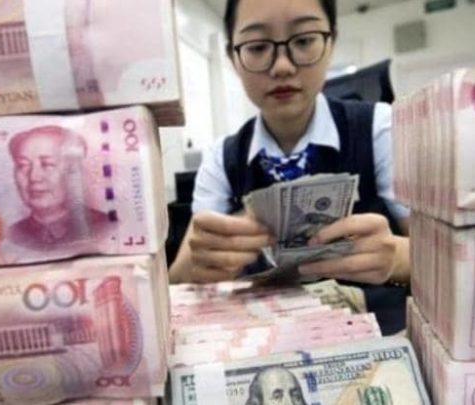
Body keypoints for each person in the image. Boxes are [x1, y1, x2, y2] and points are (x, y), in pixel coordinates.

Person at [168, 0, 411, 333]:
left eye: (304, 40)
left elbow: (444, 259)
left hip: (378, 334)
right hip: (265, 338)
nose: (282, 66)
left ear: (331, 42)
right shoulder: (222, 157)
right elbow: (177, 282)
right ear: (232, 57)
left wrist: (397, 256)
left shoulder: (380, 128)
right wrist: (199, 264)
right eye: (257, 47)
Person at [7, 125, 113, 250]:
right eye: (23, 165)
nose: (34, 177)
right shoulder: (10, 235)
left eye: (47, 164)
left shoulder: (106, 227)